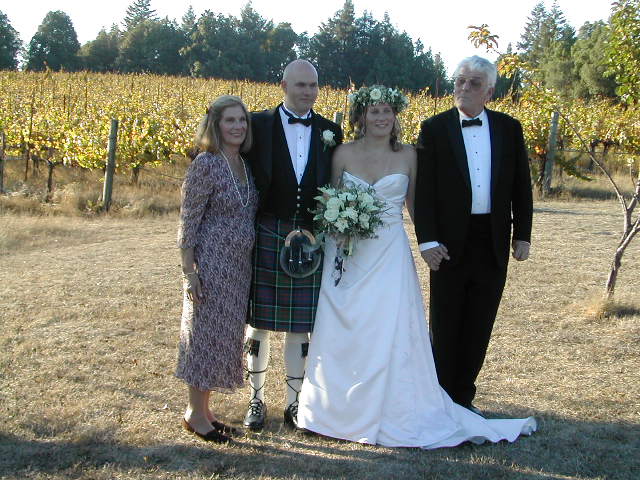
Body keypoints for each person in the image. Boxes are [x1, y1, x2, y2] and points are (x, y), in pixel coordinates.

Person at [297, 85, 536, 448]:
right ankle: (333, 410)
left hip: (389, 253)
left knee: (387, 325)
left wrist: (429, 241)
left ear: (395, 116)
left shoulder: (409, 155)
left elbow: (418, 205)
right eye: (374, 111)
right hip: (346, 252)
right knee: (343, 324)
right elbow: (328, 198)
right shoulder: (342, 153)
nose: (381, 117)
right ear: (361, 116)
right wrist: (336, 224)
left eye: (387, 111)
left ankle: (392, 406)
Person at [414, 56, 534, 414]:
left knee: (480, 322)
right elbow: (424, 192)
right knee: (445, 322)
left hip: (492, 240)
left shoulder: (509, 128)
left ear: (490, 92)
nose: (465, 88)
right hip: (448, 243)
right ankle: (441, 399)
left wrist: (522, 234)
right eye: (460, 81)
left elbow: (521, 186)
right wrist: (427, 241)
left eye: (474, 83)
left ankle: (464, 398)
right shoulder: (434, 128)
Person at [242, 59, 343, 431]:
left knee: (300, 325)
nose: (308, 92)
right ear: (284, 85)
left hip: (310, 236)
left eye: (313, 85)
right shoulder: (257, 125)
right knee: (258, 323)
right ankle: (255, 399)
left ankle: (294, 403)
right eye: (301, 85)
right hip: (267, 230)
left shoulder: (332, 131)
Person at [176, 95, 258, 443]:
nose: (238, 126)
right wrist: (189, 272)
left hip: (237, 269)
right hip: (210, 265)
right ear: (216, 125)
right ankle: (195, 414)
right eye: (230, 120)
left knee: (222, 337)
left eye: (242, 120)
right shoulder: (206, 164)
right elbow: (188, 221)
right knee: (203, 337)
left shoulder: (243, 164)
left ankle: (205, 411)